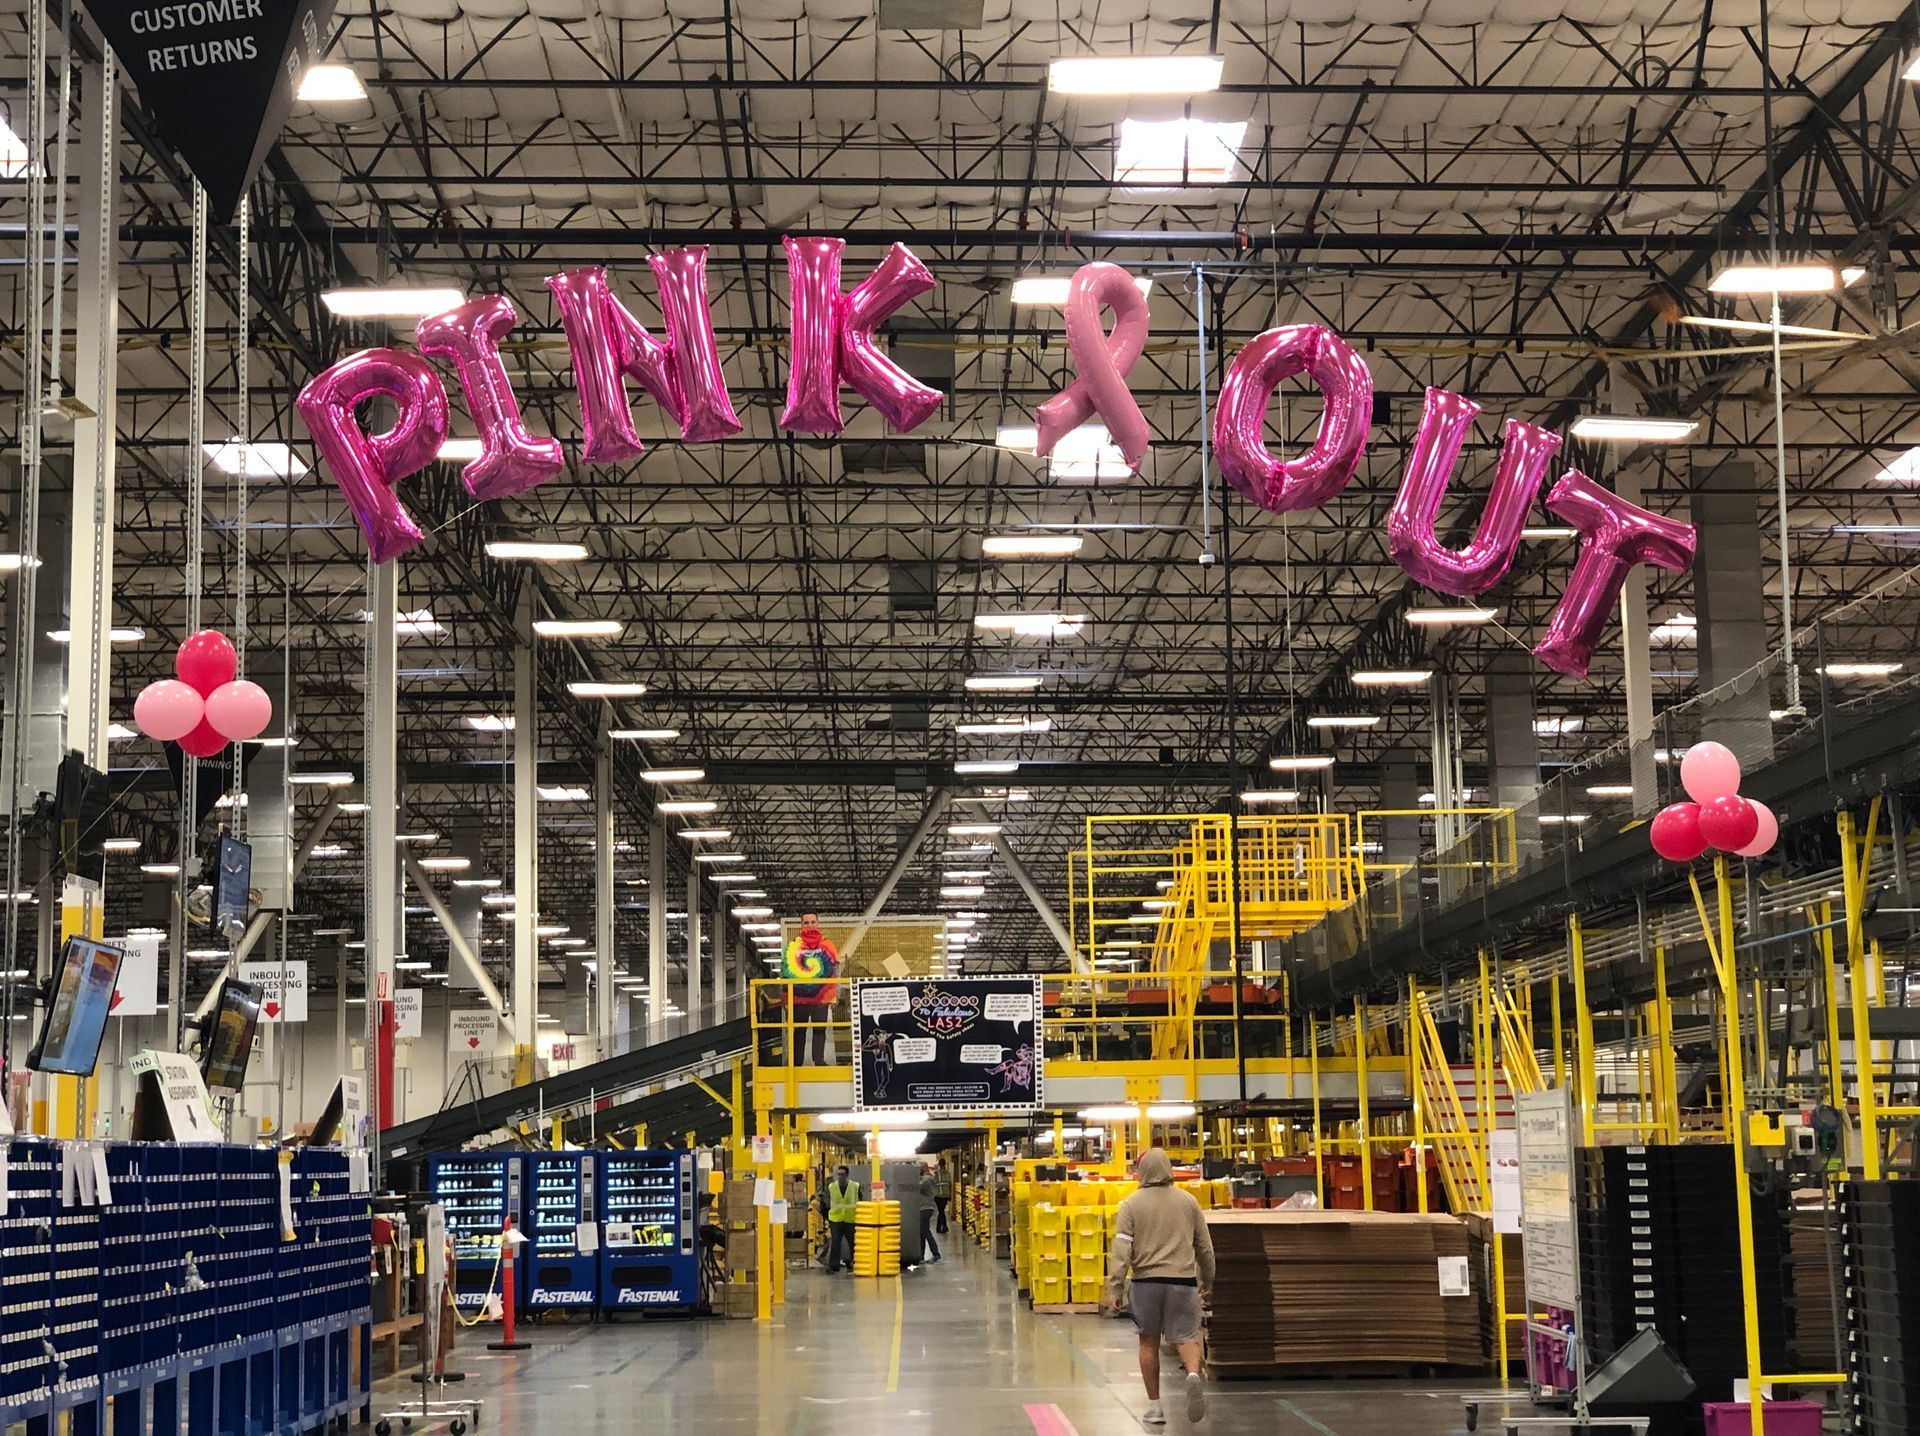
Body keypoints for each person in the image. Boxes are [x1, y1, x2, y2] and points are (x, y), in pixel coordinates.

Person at [1104, 1148, 1214, 1427]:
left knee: (1148, 1342)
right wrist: (1207, 1281)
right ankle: (1191, 1374)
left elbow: (1121, 1250)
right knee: (1187, 1337)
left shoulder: (1130, 1204)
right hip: (1183, 1282)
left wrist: (1115, 1290)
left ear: (1141, 1172)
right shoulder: (1189, 1202)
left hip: (1146, 1283)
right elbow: (1205, 1248)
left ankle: (1155, 1408)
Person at [823, 1163, 862, 1274]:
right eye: (838, 1174)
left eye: (842, 1174)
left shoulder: (855, 1186)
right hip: (836, 1219)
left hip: (851, 1219)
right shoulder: (831, 1187)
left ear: (847, 1175)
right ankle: (834, 1265)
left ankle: (857, 1263)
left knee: (853, 1243)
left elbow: (861, 1200)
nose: (840, 1177)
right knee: (836, 1242)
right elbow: (826, 1201)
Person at [915, 1166, 941, 1265]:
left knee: (925, 1231)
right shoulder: (925, 1179)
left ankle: (936, 1253)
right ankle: (921, 1256)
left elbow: (917, 1188)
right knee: (922, 1232)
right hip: (922, 1207)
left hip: (925, 1208)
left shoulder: (926, 1180)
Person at [933, 1159, 953, 1233]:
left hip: (938, 1195)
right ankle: (938, 1228)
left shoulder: (935, 1173)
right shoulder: (948, 1173)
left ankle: (944, 1226)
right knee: (941, 1210)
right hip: (945, 1194)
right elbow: (950, 1185)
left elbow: (933, 1183)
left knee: (940, 1210)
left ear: (939, 1164)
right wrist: (950, 1195)